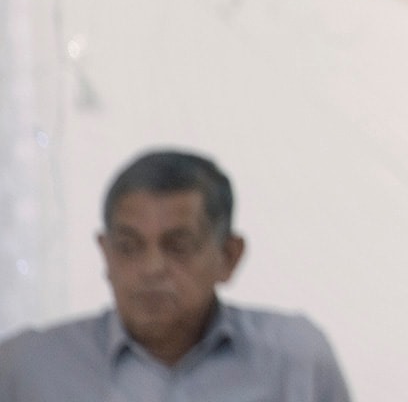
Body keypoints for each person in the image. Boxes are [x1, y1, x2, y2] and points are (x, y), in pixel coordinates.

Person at [0, 149, 351, 402]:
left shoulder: (293, 361)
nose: (151, 268)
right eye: (129, 246)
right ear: (105, 253)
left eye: (178, 246)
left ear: (229, 256)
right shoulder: (30, 369)